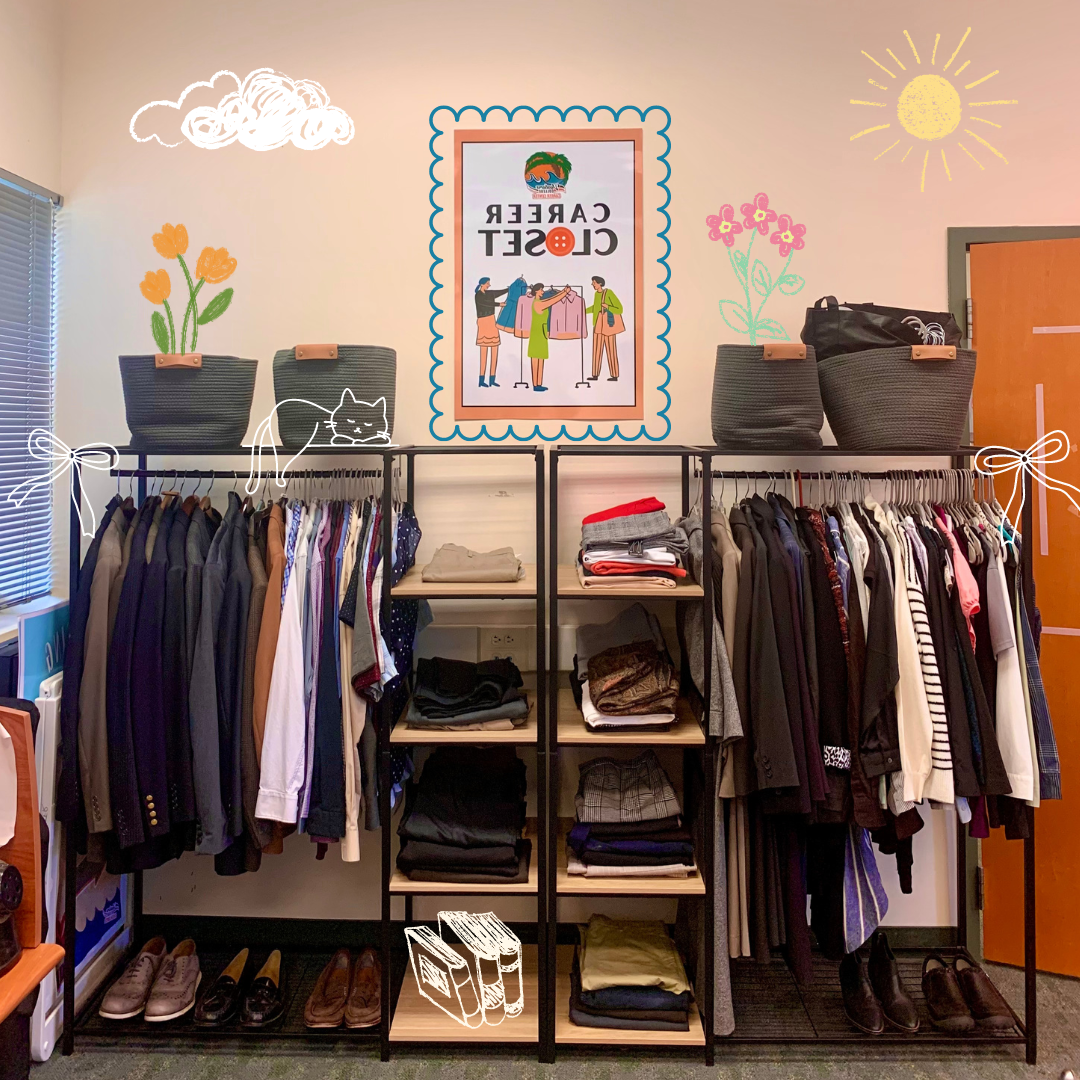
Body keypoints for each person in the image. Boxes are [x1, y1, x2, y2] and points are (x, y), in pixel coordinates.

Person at [527, 282, 571, 391]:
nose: (543, 291)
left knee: (541, 359)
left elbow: (551, 299)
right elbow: (552, 301)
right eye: (541, 290)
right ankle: (535, 385)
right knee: (535, 359)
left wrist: (562, 292)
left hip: (542, 333)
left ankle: (539, 384)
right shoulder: (537, 303)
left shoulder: (541, 301)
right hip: (536, 333)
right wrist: (564, 293)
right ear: (537, 291)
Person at [585, 275, 624, 381]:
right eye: (592, 283)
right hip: (597, 324)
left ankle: (614, 375)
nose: (593, 285)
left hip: (608, 325)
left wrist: (608, 306)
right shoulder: (596, 294)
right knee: (596, 350)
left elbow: (619, 309)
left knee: (611, 349)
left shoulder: (608, 293)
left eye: (594, 283)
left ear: (600, 283)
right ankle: (595, 374)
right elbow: (595, 308)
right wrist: (583, 310)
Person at [474, 277, 508, 387]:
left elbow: (500, 292)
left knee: (494, 350)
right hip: (484, 322)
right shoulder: (478, 295)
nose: (489, 285)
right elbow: (485, 303)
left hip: (491, 321)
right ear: (482, 284)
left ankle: (492, 379)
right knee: (484, 352)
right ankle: (481, 379)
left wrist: (510, 289)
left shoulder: (489, 293)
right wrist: (499, 305)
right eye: (488, 283)